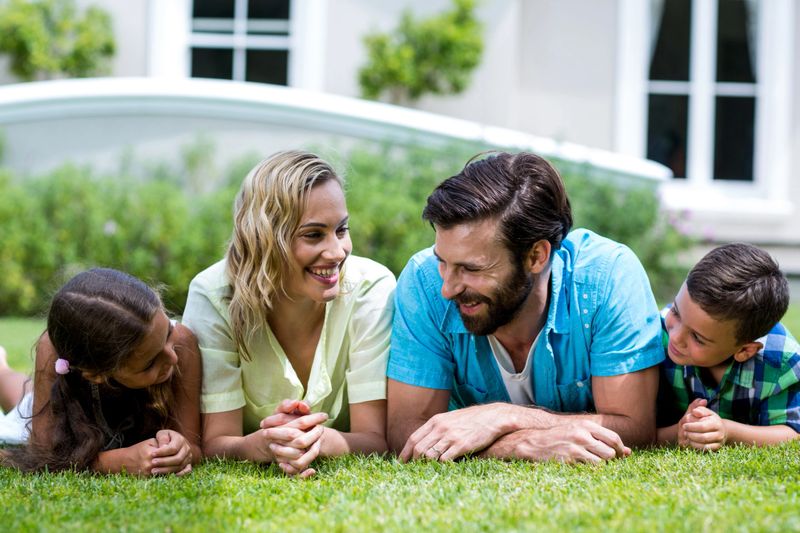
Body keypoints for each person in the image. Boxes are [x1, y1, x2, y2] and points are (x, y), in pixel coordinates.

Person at [387, 151, 664, 464]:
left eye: (473, 269)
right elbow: (404, 431)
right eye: (442, 262)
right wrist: (520, 445)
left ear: (536, 256)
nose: (448, 288)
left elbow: (635, 428)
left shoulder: (608, 276)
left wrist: (501, 417)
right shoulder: (423, 281)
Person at [182, 150, 394, 478]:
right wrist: (262, 445)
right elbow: (216, 441)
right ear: (265, 239)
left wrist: (323, 441)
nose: (337, 252)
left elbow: (377, 439)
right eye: (313, 235)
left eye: (341, 230)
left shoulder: (371, 287)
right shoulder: (214, 295)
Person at [1, 268, 202, 475]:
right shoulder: (53, 352)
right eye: (150, 363)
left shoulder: (182, 342)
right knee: (24, 405)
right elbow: (43, 455)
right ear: (96, 374)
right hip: (63, 409)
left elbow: (195, 446)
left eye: (167, 334)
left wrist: (180, 449)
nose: (173, 358)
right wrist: (113, 462)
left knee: (24, 396)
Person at [656, 243, 800, 449]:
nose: (676, 337)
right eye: (677, 312)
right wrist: (680, 431)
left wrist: (729, 431)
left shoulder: (781, 362)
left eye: (697, 337)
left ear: (744, 350)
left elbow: (793, 432)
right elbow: (638, 429)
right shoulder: (654, 335)